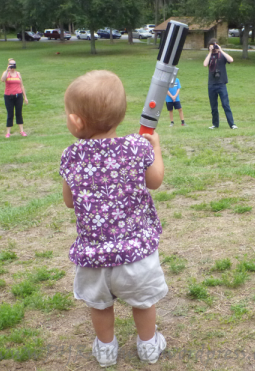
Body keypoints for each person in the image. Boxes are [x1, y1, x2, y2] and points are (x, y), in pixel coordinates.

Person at [59, 70, 168, 367]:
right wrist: (155, 148)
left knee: (100, 305)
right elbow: (155, 181)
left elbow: (69, 202)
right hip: (136, 255)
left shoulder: (71, 156)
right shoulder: (137, 147)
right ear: (119, 118)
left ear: (77, 121)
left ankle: (106, 350)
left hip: (94, 256)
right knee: (144, 302)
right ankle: (148, 345)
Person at [203, 38, 238, 130]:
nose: (214, 47)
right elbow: (205, 64)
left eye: (215, 45)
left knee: (225, 104)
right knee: (213, 106)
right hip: (211, 84)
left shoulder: (222, 55)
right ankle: (215, 124)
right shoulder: (209, 55)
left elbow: (231, 60)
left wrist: (221, 50)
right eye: (212, 45)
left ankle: (232, 124)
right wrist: (210, 52)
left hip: (221, 83)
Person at [1, 58, 28, 138]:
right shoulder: (6, 73)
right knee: (10, 113)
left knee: (19, 113)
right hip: (8, 96)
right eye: (11, 65)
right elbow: (2, 79)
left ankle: (22, 131)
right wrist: (7, 70)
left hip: (18, 95)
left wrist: (25, 97)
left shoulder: (18, 74)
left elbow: (21, 85)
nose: (12, 67)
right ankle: (8, 132)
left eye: (14, 65)